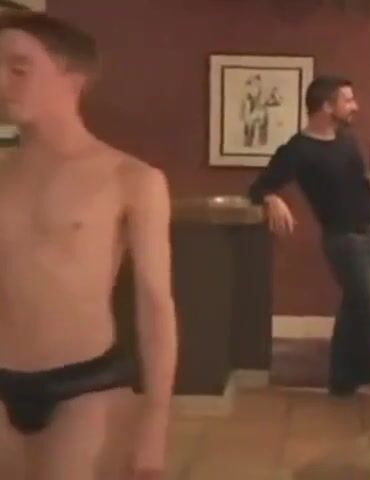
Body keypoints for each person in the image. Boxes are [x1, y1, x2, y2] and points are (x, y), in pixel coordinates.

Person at [0, 12, 177, 480]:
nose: (1, 82)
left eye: (18, 68)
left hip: (84, 384)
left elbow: (155, 304)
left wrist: (155, 423)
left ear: (72, 77)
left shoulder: (131, 178)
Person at [249, 75, 370, 396]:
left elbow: (358, 183)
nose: (355, 106)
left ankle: (342, 382)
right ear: (327, 106)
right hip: (344, 241)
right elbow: (258, 187)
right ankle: (369, 374)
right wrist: (272, 198)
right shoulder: (298, 150)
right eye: (348, 100)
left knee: (354, 307)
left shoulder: (347, 141)